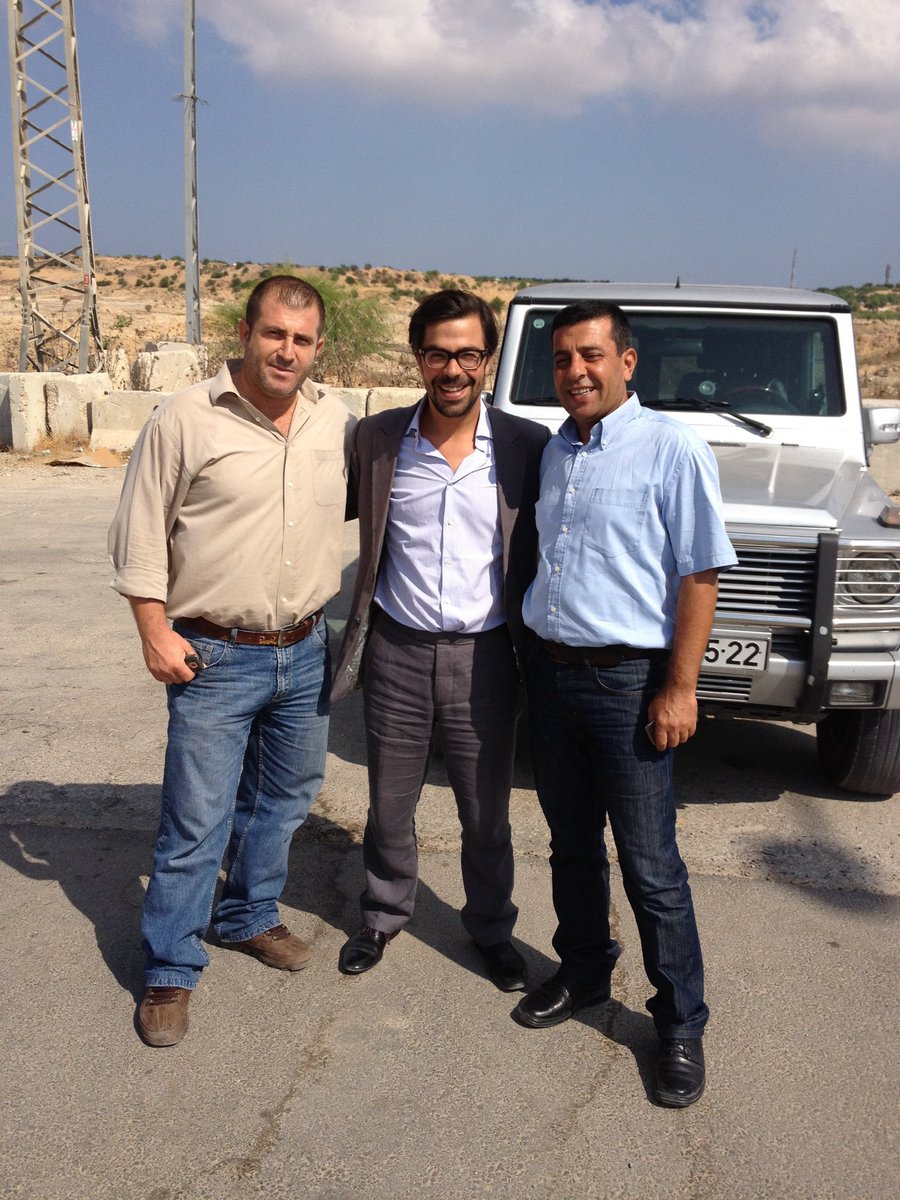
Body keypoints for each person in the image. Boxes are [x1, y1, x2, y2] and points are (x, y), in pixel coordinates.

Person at [109, 275, 354, 1047]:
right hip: (214, 653)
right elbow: (140, 531)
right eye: (275, 334)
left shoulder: (333, 420)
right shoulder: (186, 417)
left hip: (305, 649)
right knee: (196, 820)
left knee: (283, 801)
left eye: (303, 339)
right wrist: (154, 629)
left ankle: (248, 916)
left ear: (318, 347)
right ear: (245, 333)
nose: (288, 351)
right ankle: (170, 968)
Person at [514, 300, 737, 1107]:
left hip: (627, 686)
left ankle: (680, 1025)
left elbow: (700, 574)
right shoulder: (554, 452)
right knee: (571, 846)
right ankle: (582, 973)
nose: (576, 370)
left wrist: (680, 686)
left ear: (627, 361)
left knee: (650, 867)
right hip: (553, 675)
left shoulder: (671, 449)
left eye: (592, 356)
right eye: (564, 358)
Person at [331, 289, 549, 991]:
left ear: (487, 360)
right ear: (417, 356)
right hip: (396, 648)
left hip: (486, 657)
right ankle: (383, 915)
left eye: (467, 354)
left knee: (485, 812)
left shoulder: (526, 448)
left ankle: (491, 930)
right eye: (437, 353)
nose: (451, 369)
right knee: (389, 803)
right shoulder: (377, 439)